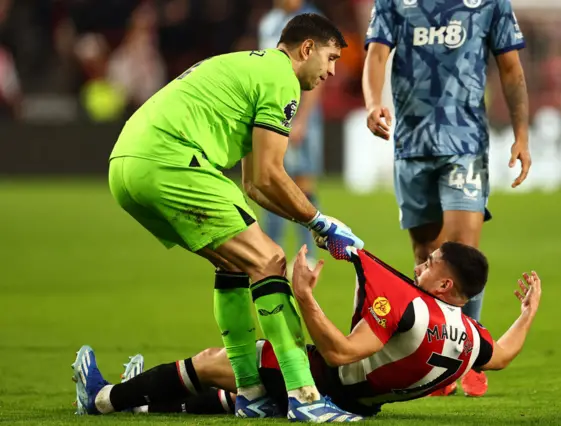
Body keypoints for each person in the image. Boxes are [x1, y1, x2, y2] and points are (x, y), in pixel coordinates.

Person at [74, 13, 366, 423]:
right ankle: (304, 395)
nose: (332, 71)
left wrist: (314, 223)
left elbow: (254, 186)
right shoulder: (281, 79)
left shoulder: (251, 69)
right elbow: (270, 175)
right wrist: (321, 222)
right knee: (269, 261)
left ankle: (251, 393)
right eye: (331, 58)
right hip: (169, 160)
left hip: (128, 164)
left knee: (234, 262)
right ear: (306, 49)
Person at [71, 242, 542, 418]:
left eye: (431, 261)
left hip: (324, 382)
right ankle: (148, 401)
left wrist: (305, 297)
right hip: (361, 402)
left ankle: (102, 398)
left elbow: (340, 352)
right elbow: (502, 355)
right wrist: (526, 314)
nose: (420, 262)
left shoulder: (415, 309)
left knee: (217, 362)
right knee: (240, 393)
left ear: (445, 282)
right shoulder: (470, 336)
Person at [361, 0, 532, 396]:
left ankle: (466, 358)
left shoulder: (489, 3)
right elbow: (376, 54)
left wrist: (522, 134)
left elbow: (511, 68)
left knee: (459, 253)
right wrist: (372, 103)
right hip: (411, 145)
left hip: (465, 144)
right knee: (426, 255)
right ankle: (429, 351)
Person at [259, 0, 326, 269]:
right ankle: (270, 249)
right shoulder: (267, 22)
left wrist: (302, 120)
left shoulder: (312, 20)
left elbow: (318, 75)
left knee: (302, 182)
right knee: (267, 178)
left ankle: (306, 253)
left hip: (299, 114)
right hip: (270, 112)